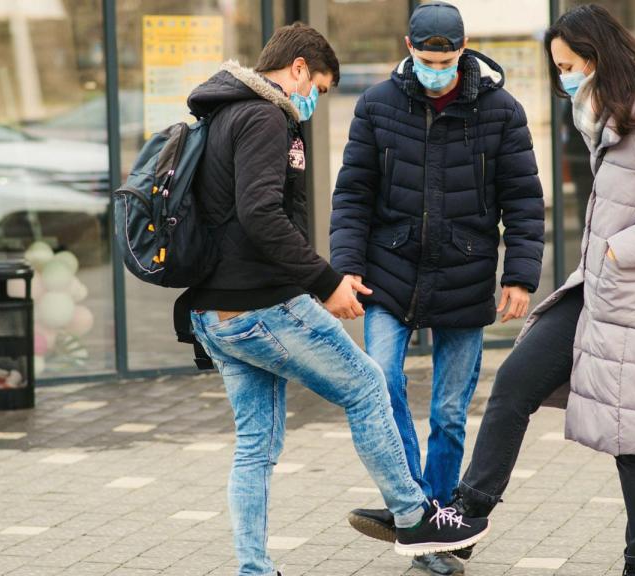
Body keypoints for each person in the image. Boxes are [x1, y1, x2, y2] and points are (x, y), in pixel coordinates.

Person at [182, 23, 491, 576]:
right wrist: (325, 282)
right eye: (319, 89)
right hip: (264, 307)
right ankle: (414, 516)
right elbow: (260, 215)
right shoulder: (263, 116)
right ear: (298, 68)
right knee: (369, 385)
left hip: (215, 315)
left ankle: (253, 569)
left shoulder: (221, 112)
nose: (314, 102)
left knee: (255, 447)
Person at [448, 5, 635, 576]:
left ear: (598, 60)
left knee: (633, 438)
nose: (562, 78)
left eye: (568, 65)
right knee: (515, 382)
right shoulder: (613, 120)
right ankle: (466, 519)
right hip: (596, 292)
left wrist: (622, 248)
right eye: (557, 67)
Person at [329, 3, 545, 574]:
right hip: (388, 273)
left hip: (466, 274)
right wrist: (345, 266)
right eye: (425, 60)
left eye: (445, 60)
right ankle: (418, 509)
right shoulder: (376, 105)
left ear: (463, 48)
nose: (435, 69)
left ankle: (436, 518)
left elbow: (523, 201)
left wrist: (520, 276)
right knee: (380, 384)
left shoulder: (501, 111)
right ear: (408, 47)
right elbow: (352, 193)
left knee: (450, 412)